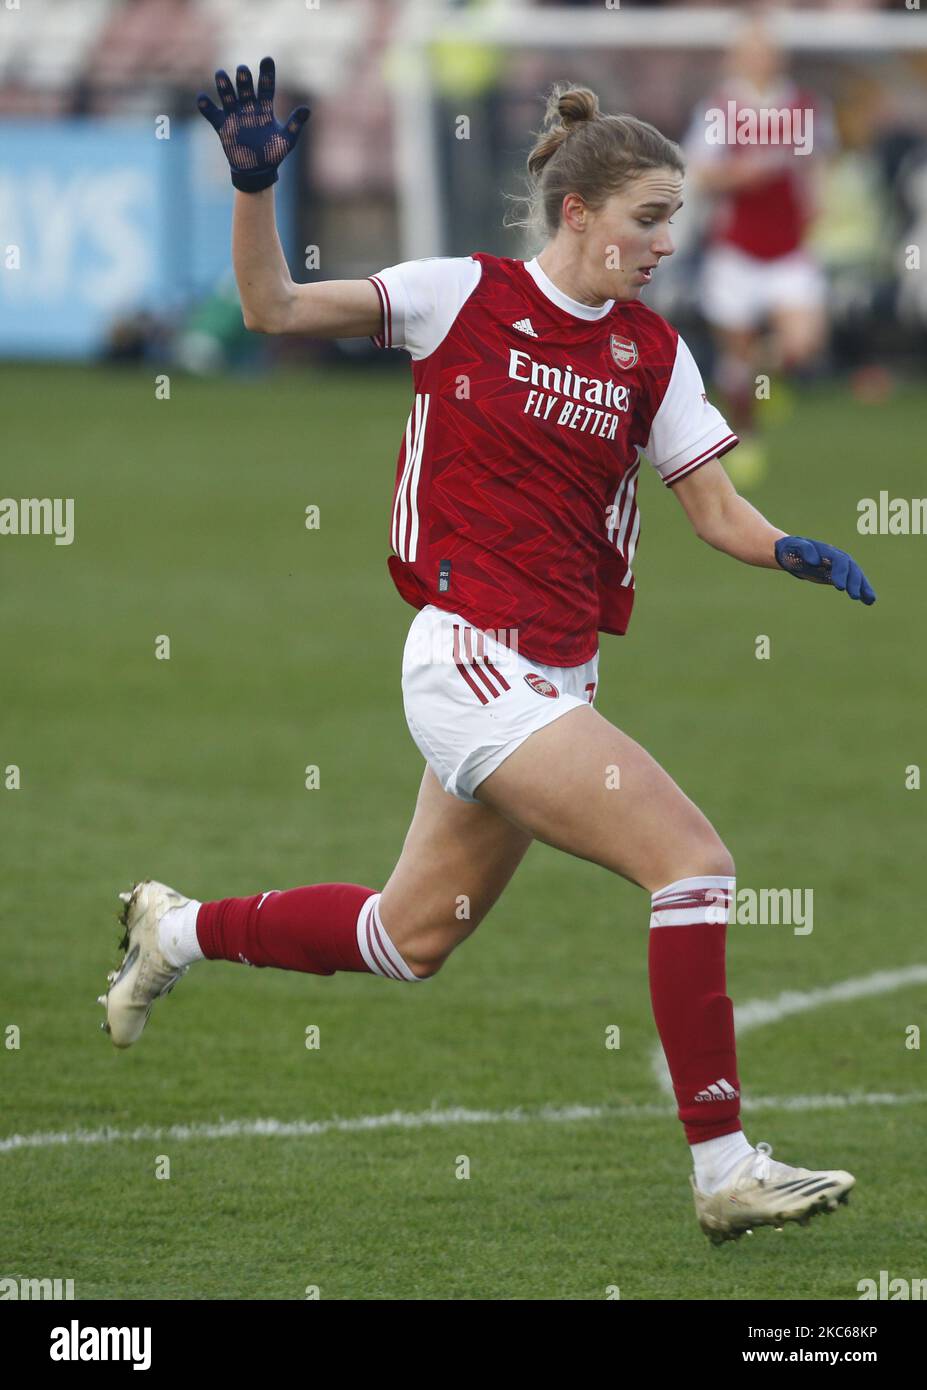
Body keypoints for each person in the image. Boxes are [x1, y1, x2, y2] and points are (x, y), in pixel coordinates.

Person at [99, 59, 876, 1246]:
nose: (668, 242)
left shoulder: (651, 355)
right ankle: (723, 1166)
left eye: (675, 219)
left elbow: (716, 512)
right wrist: (256, 190)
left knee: (406, 941)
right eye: (649, 219)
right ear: (580, 211)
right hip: (468, 658)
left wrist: (795, 552)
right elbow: (272, 312)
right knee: (695, 864)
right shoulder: (460, 293)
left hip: (557, 674)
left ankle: (178, 928)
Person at [684, 15, 835, 487]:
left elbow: (821, 162)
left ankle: (766, 386)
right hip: (735, 250)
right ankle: (744, 436)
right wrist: (740, 175)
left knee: (802, 343)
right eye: (751, 52)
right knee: (738, 356)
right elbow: (699, 171)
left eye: (766, 51)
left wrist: (817, 203)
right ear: (738, 59)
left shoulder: (804, 107)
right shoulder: (720, 108)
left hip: (789, 249)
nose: (760, 60)